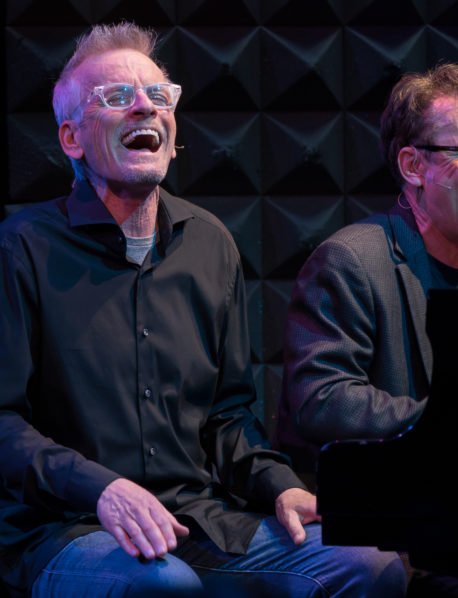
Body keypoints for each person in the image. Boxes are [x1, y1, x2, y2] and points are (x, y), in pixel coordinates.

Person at [0, 22, 407, 598]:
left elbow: (228, 416)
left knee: (368, 566)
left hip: (196, 522)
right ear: (72, 139)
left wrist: (279, 487)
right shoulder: (20, 247)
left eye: (159, 96)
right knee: (164, 585)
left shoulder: (210, 243)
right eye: (117, 97)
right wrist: (101, 488)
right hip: (68, 527)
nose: (145, 107)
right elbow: (3, 423)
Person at [276, 63, 458, 596]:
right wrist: (449, 424)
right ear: (413, 165)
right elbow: (320, 400)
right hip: (378, 529)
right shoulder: (349, 260)